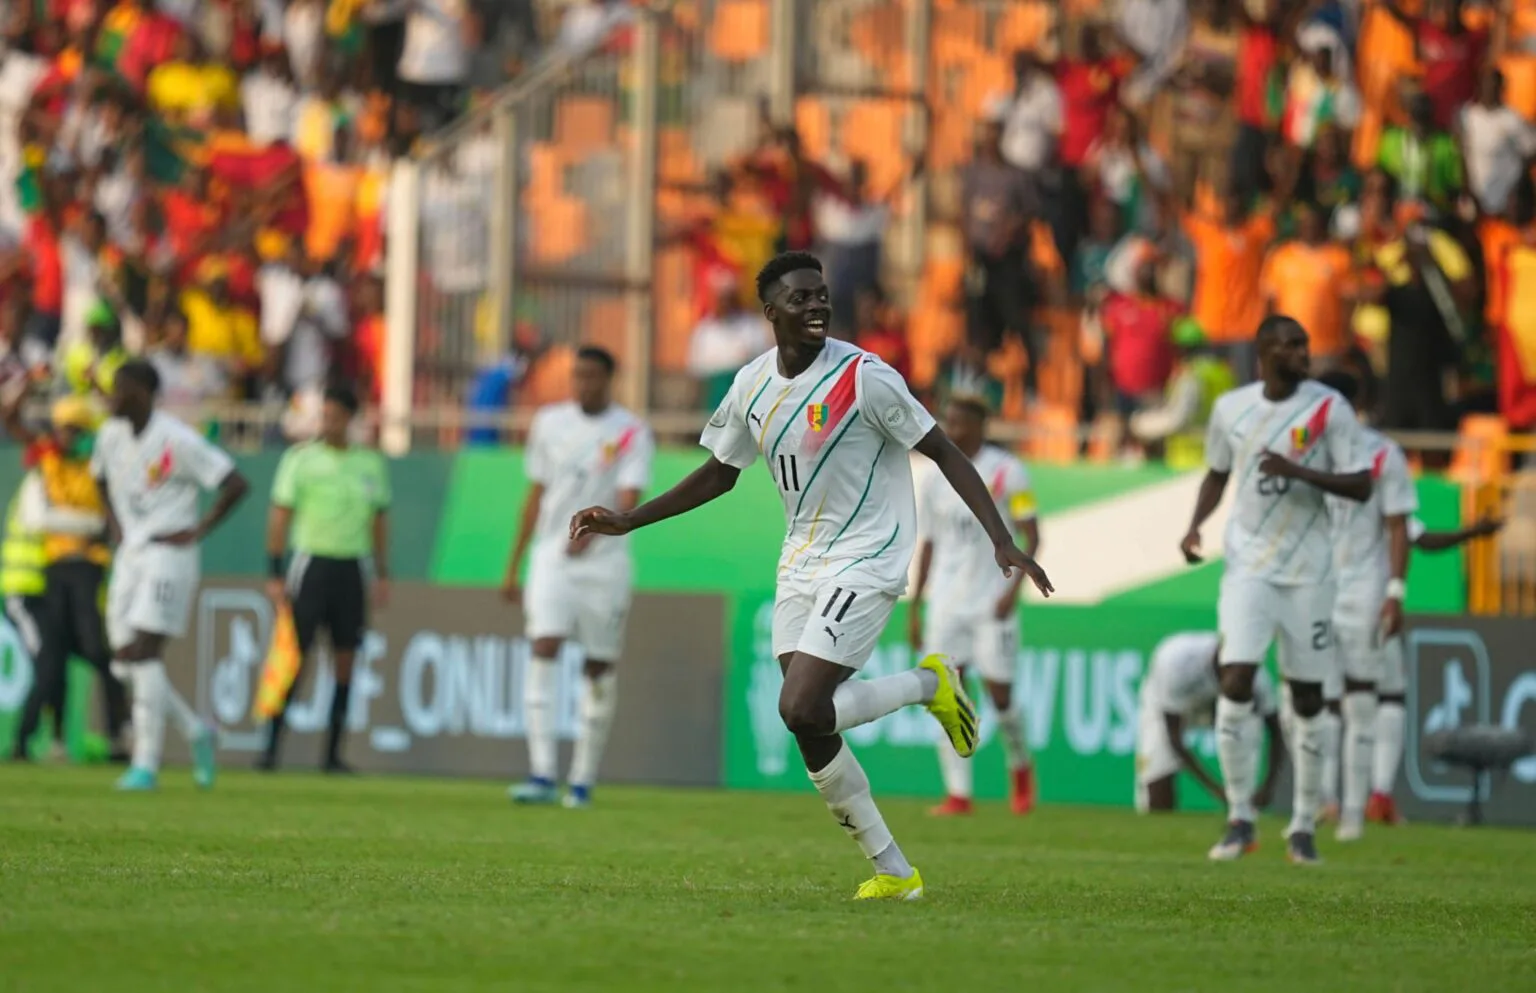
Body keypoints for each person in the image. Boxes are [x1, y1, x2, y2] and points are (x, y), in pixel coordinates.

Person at [570, 252, 1053, 900]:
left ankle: (924, 687)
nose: (817, 306)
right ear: (770, 312)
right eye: (801, 299)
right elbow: (720, 471)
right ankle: (894, 869)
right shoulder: (750, 385)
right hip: (801, 557)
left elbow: (942, 450)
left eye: (822, 295)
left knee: (798, 704)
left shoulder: (866, 377)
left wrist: (1003, 539)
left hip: (870, 551)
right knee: (809, 721)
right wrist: (631, 518)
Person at [1180, 314, 1371, 865]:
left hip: (1311, 572)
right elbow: (1218, 471)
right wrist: (1196, 524)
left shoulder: (1328, 409)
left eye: (1305, 343)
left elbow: (1361, 483)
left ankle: (1304, 823)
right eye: (1290, 345)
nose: (1302, 352)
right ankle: (1240, 816)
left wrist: (1301, 471)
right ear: (1264, 353)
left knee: (1308, 698)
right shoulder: (1232, 409)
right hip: (1248, 570)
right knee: (1236, 679)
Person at [502, 346, 654, 809]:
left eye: (592, 376)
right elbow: (536, 493)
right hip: (552, 556)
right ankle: (542, 772)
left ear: (610, 379)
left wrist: (592, 535)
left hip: (605, 564)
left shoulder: (631, 431)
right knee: (543, 645)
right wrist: (514, 564)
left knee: (598, 666)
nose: (583, 384)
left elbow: (628, 497)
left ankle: (583, 780)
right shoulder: (549, 423)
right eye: (577, 376)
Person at [93, 359, 249, 791]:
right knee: (126, 663)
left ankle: (146, 764)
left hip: (168, 554)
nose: (112, 397)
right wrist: (113, 523)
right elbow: (100, 480)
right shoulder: (109, 435)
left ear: (143, 392)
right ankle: (197, 731)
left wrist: (201, 529)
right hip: (131, 554)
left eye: (120, 389)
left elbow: (235, 483)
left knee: (143, 652)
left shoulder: (177, 439)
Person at [908, 395, 1040, 816]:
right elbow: (927, 543)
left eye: (962, 423)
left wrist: (1012, 593)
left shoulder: (1008, 471)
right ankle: (958, 794)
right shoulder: (932, 477)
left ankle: (1019, 766)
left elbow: (1031, 534)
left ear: (982, 425)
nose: (954, 429)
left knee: (1001, 697)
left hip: (991, 602)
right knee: (947, 694)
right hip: (946, 604)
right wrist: (916, 605)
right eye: (950, 421)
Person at [1307, 370, 1418, 842]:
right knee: (1322, 701)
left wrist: (1394, 592)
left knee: (1360, 700)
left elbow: (1399, 525)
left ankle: (1354, 810)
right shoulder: (1308, 449)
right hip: (1318, 586)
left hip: (1365, 589)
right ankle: (1327, 802)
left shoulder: (1382, 454)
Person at [260, 384, 391, 773]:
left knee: (346, 659)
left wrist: (383, 572)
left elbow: (380, 519)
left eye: (335, 416)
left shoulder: (370, 464)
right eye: (324, 416)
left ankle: (332, 754)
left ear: (351, 419)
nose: (328, 423)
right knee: (293, 658)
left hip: (352, 568)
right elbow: (279, 516)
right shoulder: (300, 460)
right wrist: (275, 570)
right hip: (311, 566)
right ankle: (270, 750)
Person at [5, 394, 128, 762]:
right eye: (61, 429)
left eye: (73, 429)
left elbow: (109, 522)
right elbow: (14, 425)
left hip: (89, 569)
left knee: (95, 650)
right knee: (54, 656)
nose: (65, 437)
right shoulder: (48, 463)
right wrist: (88, 525)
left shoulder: (99, 468)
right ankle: (53, 738)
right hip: (54, 572)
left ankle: (121, 733)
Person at [1366, 514, 1504, 825]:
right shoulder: (1383, 486)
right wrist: (1473, 533)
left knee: (1337, 699)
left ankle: (1331, 799)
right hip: (1372, 605)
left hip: (1323, 603)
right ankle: (1378, 795)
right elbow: (1423, 540)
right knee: (1389, 697)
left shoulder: (1328, 487)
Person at [1135, 631, 1283, 813]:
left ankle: (1244, 812)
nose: (1239, 677)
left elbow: (1276, 732)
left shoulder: (1256, 679)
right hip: (1167, 706)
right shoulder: (1176, 662)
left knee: (1250, 723)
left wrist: (1268, 786)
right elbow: (1174, 737)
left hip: (1219, 707)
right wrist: (1215, 789)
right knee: (1157, 780)